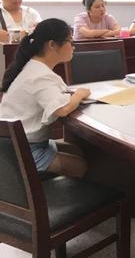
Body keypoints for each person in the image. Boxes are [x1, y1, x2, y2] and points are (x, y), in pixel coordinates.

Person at [0, 18, 90, 177]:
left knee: (76, 150)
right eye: (70, 41)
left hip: (16, 143)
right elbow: (62, 110)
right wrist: (80, 94)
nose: (73, 46)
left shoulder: (33, 66)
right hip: (21, 150)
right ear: (52, 45)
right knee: (80, 166)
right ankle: (39, 191)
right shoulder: (40, 75)